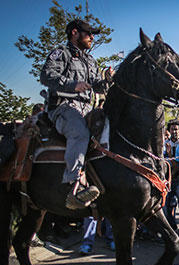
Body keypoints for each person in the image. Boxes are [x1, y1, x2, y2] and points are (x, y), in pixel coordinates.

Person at [40, 19, 114, 210]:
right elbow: (46, 75)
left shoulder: (90, 60)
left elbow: (97, 85)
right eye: (88, 33)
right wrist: (72, 86)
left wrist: (106, 80)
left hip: (86, 109)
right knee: (80, 133)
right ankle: (74, 188)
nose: (92, 37)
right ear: (74, 32)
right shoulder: (61, 53)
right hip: (63, 107)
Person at [164, 120, 179, 231]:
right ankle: (171, 228)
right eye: (172, 129)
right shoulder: (165, 144)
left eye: (176, 129)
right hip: (168, 180)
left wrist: (169, 154)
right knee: (167, 206)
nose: (174, 132)